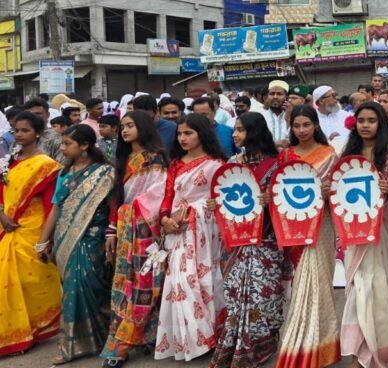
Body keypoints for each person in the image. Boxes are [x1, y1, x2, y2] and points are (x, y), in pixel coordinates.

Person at [208, 112, 285, 368]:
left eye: (240, 130)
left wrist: (271, 200)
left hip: (267, 240)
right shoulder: (232, 163)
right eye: (235, 129)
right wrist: (214, 203)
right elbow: (226, 201)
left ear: (254, 132)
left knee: (262, 297)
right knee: (235, 296)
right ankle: (234, 343)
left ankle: (261, 344)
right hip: (237, 241)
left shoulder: (277, 164)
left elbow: (288, 204)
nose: (234, 134)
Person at [338, 102, 388, 368]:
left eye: (371, 120)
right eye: (361, 120)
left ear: (381, 124)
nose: (365, 125)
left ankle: (386, 348)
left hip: (385, 227)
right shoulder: (346, 154)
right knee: (359, 288)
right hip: (355, 230)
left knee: (384, 286)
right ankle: (360, 350)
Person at [0, 111, 62, 358]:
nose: (19, 135)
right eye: (16, 130)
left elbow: (52, 205)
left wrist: (47, 240)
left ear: (38, 133)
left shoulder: (46, 165)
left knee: (31, 282)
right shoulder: (10, 160)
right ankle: (9, 332)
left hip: (33, 230)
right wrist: (1, 215)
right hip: (7, 228)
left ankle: (30, 332)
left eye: (25, 130)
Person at [36, 124, 115, 363]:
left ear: (85, 146)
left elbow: (113, 207)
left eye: (67, 143)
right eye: (62, 143)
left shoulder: (105, 173)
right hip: (66, 239)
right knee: (70, 289)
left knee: (92, 287)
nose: (62, 147)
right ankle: (71, 345)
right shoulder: (64, 173)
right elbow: (56, 208)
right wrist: (42, 242)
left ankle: (101, 338)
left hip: (94, 240)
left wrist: (112, 233)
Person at [154, 114, 225, 361]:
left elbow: (221, 201)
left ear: (201, 134)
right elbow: (167, 196)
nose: (182, 138)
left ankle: (209, 336)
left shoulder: (217, 164)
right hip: (177, 231)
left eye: (188, 133)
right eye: (180, 134)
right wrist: (165, 219)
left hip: (207, 232)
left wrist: (196, 211)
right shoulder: (175, 163)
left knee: (204, 279)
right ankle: (190, 341)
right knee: (180, 282)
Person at [100, 111, 168, 367]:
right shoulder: (122, 159)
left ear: (143, 127)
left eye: (130, 126)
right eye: (122, 127)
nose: (125, 130)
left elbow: (157, 194)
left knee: (146, 284)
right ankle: (123, 340)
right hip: (125, 229)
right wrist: (112, 230)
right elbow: (116, 199)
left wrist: (133, 214)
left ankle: (139, 337)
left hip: (146, 230)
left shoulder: (155, 159)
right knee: (124, 286)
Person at [276, 105, 342, 368]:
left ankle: (319, 344)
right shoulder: (286, 156)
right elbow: (279, 191)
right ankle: (300, 344)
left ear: (316, 125)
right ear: (291, 129)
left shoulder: (329, 154)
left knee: (317, 282)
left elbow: (337, 191)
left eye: (306, 125)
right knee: (300, 282)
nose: (301, 130)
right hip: (294, 226)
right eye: (296, 126)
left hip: (322, 223)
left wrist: (328, 191)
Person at [24, 97, 65, 162]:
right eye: (29, 115)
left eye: (37, 114)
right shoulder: (20, 138)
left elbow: (61, 166)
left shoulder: (57, 138)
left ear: (48, 115)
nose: (33, 117)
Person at [262, 79, 291, 146]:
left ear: (286, 97)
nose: (275, 97)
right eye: (272, 94)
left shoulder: (293, 116)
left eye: (279, 94)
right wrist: (275, 144)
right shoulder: (260, 117)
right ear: (267, 97)